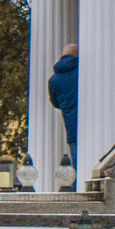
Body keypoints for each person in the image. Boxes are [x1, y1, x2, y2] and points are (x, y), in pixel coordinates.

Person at [48, 44, 79, 179]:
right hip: (88, 122)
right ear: (77, 55)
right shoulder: (82, 70)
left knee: (76, 163)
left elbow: (55, 103)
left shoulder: (54, 79)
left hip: (71, 125)